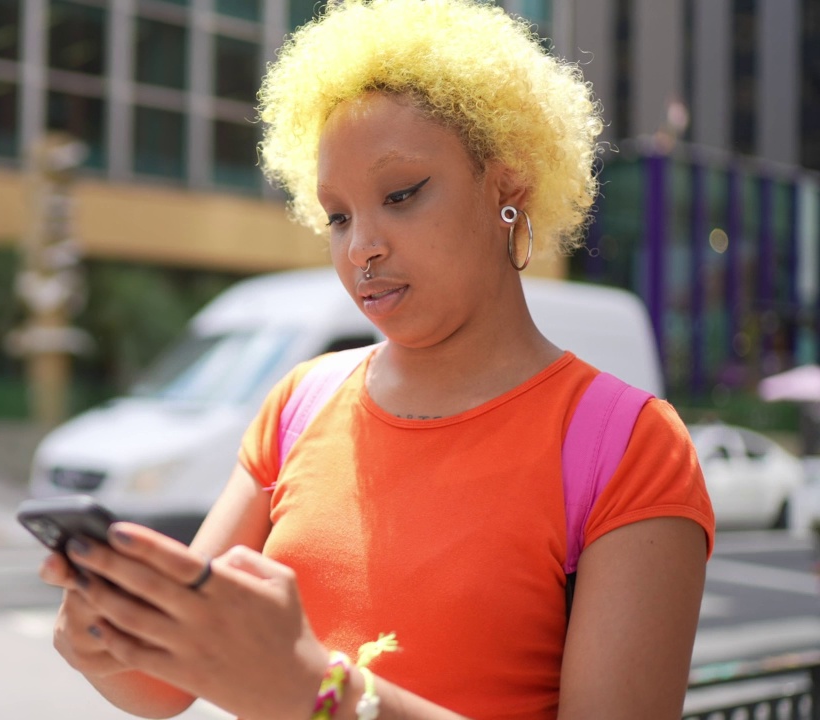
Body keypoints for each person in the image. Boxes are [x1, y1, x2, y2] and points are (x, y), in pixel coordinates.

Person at [38, 2, 714, 719]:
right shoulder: (299, 404)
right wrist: (104, 634)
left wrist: (321, 696)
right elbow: (164, 685)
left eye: (401, 194)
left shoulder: (631, 446)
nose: (362, 246)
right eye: (337, 214)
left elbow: (296, 688)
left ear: (508, 195)